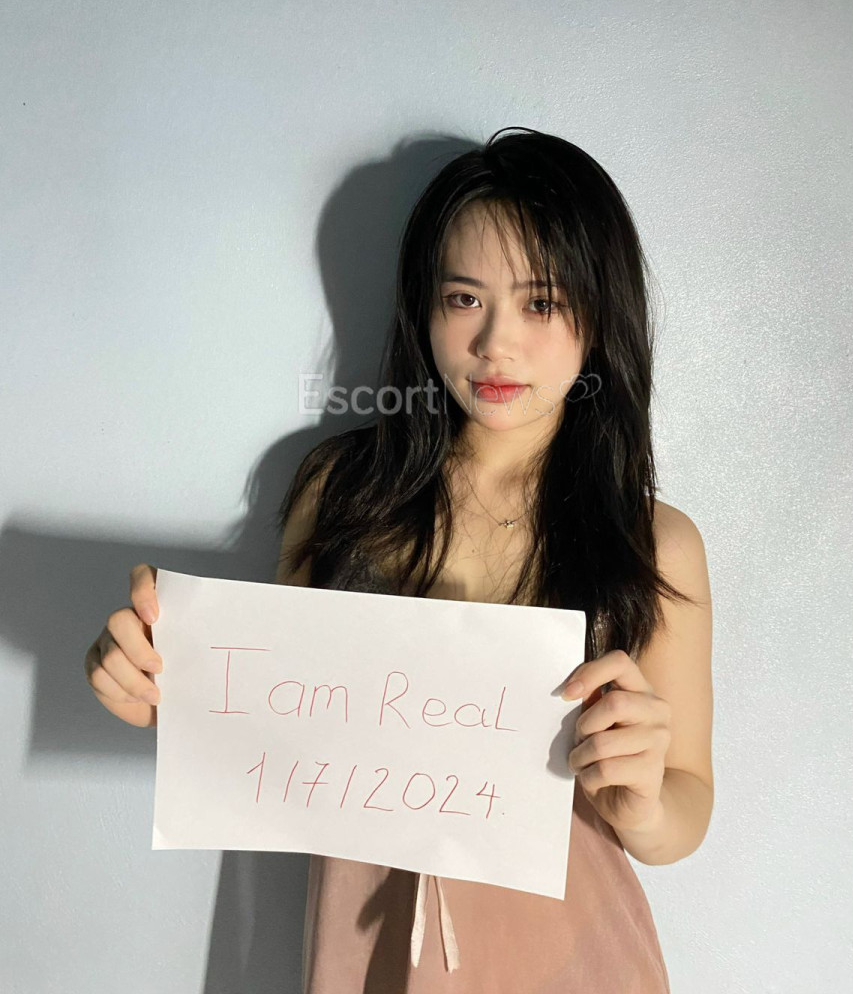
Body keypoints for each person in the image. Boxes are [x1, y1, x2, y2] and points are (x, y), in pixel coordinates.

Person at [85, 126, 714, 993]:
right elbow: (275, 729)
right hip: (365, 948)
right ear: (424, 306)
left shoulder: (654, 541)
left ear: (601, 316)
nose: (496, 343)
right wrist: (161, 686)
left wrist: (641, 801)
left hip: (577, 959)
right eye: (464, 298)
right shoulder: (341, 491)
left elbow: (687, 802)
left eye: (541, 303)